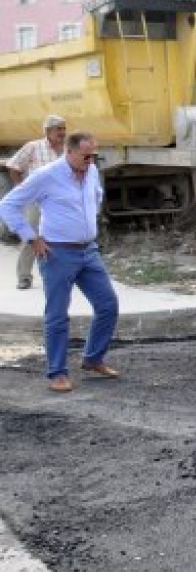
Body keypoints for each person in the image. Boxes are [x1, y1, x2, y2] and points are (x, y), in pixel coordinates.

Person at [0, 131, 119, 393]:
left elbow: (96, 196)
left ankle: (93, 358)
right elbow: (7, 204)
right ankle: (57, 373)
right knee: (57, 315)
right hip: (57, 254)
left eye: (94, 156)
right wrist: (32, 238)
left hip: (88, 251)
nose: (91, 161)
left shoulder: (91, 172)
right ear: (70, 151)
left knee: (108, 305)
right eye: (86, 156)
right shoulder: (46, 176)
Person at [5, 115, 68, 290]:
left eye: (63, 128)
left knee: (61, 237)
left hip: (61, 201)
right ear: (47, 131)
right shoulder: (33, 147)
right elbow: (14, 166)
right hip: (37, 200)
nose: (62, 132)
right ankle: (24, 276)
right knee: (31, 235)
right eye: (58, 129)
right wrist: (23, 190)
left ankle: (62, 274)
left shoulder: (68, 148)